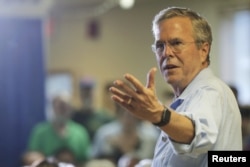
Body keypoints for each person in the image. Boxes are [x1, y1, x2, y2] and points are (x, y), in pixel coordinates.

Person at [109, 7, 242, 167]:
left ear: (203, 50)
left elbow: (199, 135)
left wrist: (159, 114)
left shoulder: (209, 91)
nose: (166, 53)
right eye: (160, 45)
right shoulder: (187, 98)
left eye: (176, 43)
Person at [28, 91, 90, 166]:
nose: (63, 110)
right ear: (53, 107)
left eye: (67, 106)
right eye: (60, 106)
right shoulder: (40, 132)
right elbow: (32, 158)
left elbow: (85, 160)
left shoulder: (80, 132)